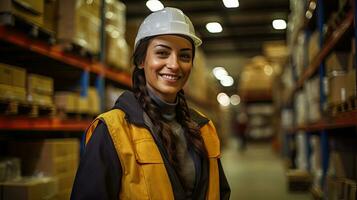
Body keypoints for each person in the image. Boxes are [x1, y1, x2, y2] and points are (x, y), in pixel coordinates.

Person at [71, 7, 230, 200]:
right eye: (162, 53)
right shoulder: (113, 131)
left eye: (185, 56)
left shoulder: (204, 129)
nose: (174, 64)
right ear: (141, 60)